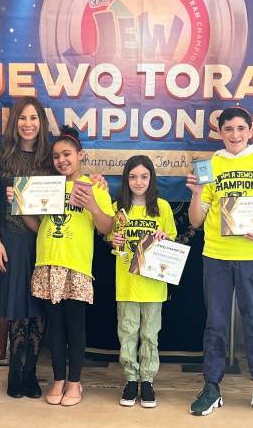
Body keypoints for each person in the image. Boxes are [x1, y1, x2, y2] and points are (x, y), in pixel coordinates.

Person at [186, 107, 253, 419]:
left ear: (250, 131)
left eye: (240, 128)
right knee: (215, 324)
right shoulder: (209, 165)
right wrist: (197, 193)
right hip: (216, 255)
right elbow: (196, 218)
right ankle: (211, 387)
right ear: (220, 132)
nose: (234, 134)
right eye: (228, 129)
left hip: (252, 258)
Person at [10, 126, 114, 406]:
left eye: (67, 154)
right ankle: (58, 379)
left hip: (77, 265)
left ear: (80, 155)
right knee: (54, 326)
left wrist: (92, 205)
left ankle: (75, 382)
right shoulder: (49, 187)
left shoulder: (95, 186)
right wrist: (20, 205)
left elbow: (107, 227)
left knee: (75, 326)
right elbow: (38, 226)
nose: (62, 160)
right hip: (48, 264)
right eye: (56, 156)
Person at [0, 97, 53, 399]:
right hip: (12, 241)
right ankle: (15, 370)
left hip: (44, 241)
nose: (28, 124)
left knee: (37, 308)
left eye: (34, 118)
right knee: (17, 308)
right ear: (15, 123)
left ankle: (31, 373)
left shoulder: (50, 160)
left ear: (41, 122)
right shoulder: (0, 159)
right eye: (23, 118)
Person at [110, 155, 177, 409]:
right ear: (126, 180)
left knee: (150, 334)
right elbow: (113, 241)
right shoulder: (119, 208)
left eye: (144, 176)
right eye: (133, 177)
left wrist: (164, 237)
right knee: (127, 333)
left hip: (153, 284)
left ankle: (147, 381)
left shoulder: (163, 208)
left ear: (152, 179)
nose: (139, 182)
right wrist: (113, 241)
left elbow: (171, 240)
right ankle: (130, 379)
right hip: (126, 283)